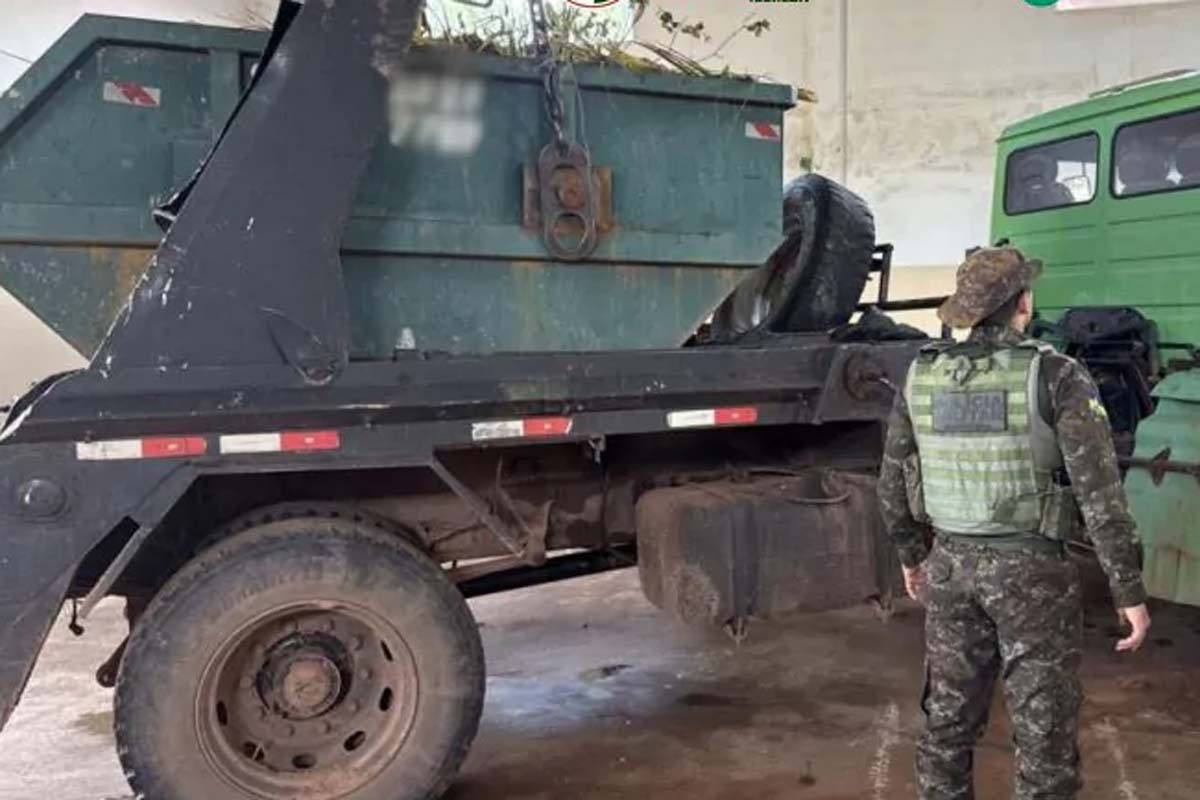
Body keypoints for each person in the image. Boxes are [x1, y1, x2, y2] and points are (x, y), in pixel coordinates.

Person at [877, 246, 1151, 800]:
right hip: (1033, 575)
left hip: (949, 568)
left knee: (947, 724)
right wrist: (1127, 589)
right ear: (1022, 304)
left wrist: (911, 555)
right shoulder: (1056, 375)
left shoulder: (922, 375)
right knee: (1043, 736)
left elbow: (891, 484)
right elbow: (1100, 494)